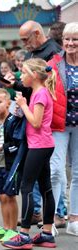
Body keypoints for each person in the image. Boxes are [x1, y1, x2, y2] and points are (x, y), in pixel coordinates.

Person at [2, 58, 57, 250]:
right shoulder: (37, 91)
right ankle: (47, 234)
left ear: (34, 75)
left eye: (24, 73)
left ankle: (24, 235)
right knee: (45, 188)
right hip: (42, 145)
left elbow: (36, 122)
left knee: (26, 187)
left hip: (39, 146)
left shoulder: (40, 94)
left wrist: (23, 105)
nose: (21, 76)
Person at [47, 22, 78, 236]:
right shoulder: (54, 63)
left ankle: (74, 219)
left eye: (75, 39)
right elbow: (43, 90)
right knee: (55, 170)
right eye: (67, 39)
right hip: (59, 124)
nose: (70, 43)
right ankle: (50, 219)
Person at [0, 89, 23, 243]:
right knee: (1, 196)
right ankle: (6, 227)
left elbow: (17, 143)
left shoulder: (12, 121)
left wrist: (0, 148)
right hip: (0, 164)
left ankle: (13, 230)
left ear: (8, 103)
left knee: (10, 196)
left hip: (11, 165)